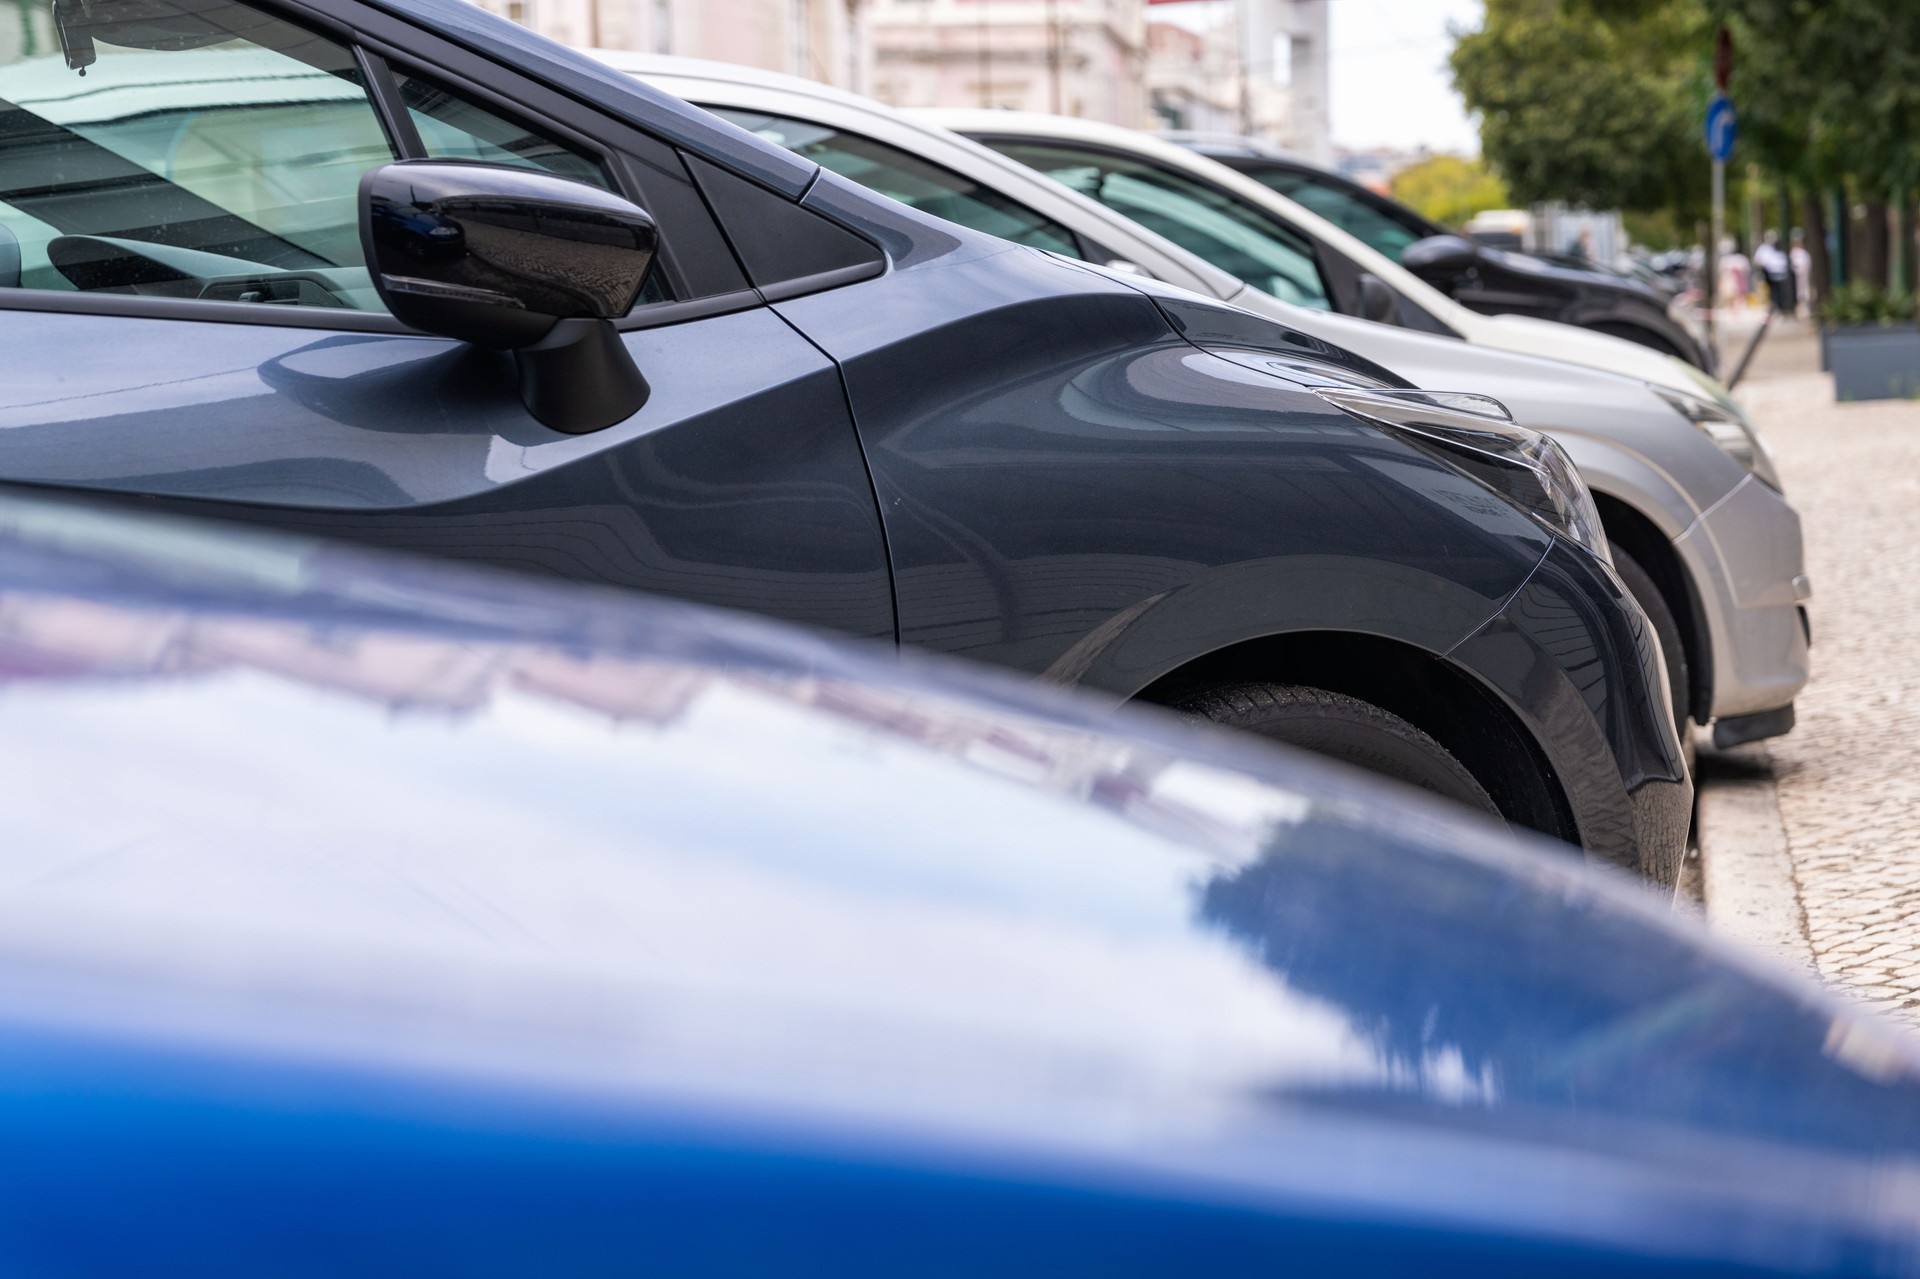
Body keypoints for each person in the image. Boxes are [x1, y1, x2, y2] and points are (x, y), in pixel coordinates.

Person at [1754, 229, 1792, 313]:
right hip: (1770, 272)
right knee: (1774, 290)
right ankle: (1776, 305)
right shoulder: (1764, 248)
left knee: (1779, 290)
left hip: (1779, 272)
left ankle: (1780, 306)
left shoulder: (1777, 247)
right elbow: (1758, 261)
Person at [1790, 228, 1814, 319]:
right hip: (1796, 276)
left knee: (1803, 291)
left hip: (1802, 275)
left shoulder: (1802, 253)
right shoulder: (1794, 252)